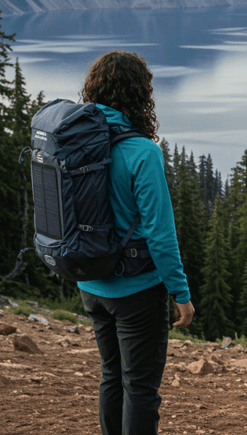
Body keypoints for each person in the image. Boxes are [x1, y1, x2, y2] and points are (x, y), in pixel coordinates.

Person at [77, 51, 195, 435]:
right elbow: (161, 234)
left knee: (112, 376)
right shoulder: (142, 151)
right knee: (140, 387)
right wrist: (180, 292)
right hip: (136, 290)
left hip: (90, 282)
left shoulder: (78, 143)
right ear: (139, 95)